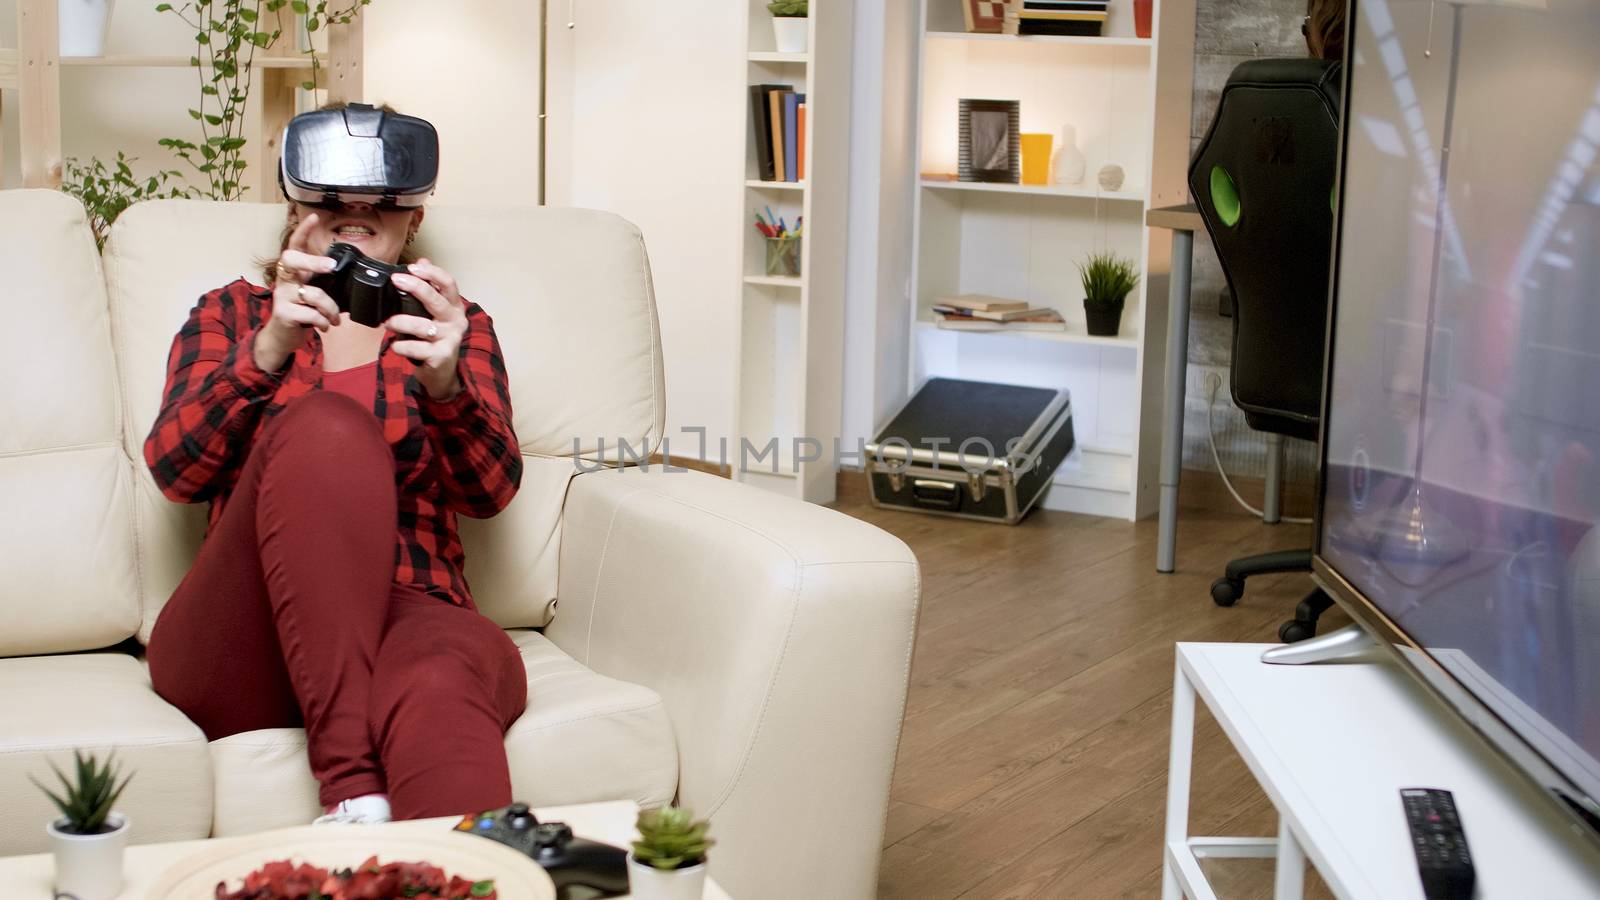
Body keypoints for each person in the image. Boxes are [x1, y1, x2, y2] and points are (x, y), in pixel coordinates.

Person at [142, 103, 526, 825]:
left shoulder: (450, 325)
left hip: (409, 611)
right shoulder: (232, 314)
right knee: (325, 427)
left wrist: (447, 387)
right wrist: (270, 346)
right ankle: (351, 789)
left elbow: (492, 492)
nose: (354, 212)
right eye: (330, 197)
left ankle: (461, 872)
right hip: (247, 635)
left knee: (444, 676)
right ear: (295, 208)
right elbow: (174, 470)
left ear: (412, 220)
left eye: (379, 201)